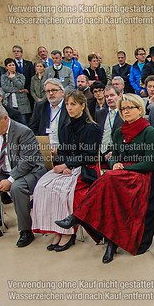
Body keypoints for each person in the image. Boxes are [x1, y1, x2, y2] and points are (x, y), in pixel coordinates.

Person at [56, 94, 154, 263]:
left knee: (109, 180)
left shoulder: (149, 132)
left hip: (143, 176)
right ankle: (111, 242)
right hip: (119, 175)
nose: (125, 111)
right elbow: (113, 154)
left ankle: (78, 217)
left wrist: (123, 167)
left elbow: (149, 164)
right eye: (122, 109)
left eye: (129, 108)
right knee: (110, 195)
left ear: (140, 110)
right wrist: (114, 163)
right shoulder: (120, 132)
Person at [31, 90, 101, 252]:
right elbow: (62, 151)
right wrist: (63, 165)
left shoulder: (92, 128)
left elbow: (90, 156)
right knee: (42, 187)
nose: (69, 108)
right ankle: (56, 229)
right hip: (67, 167)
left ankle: (68, 233)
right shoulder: (65, 126)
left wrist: (68, 165)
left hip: (85, 167)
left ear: (83, 106)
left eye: (73, 104)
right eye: (68, 104)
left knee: (63, 191)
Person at [0, 103, 46, 242]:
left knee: (17, 188)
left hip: (30, 171)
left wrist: (10, 180)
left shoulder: (23, 131)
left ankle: (26, 231)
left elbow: (27, 162)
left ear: (5, 119)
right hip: (4, 171)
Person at [28, 79, 69, 147]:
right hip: (44, 147)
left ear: (62, 92)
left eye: (54, 90)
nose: (51, 93)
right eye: (48, 91)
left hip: (64, 147)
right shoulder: (40, 106)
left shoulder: (68, 106)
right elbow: (32, 128)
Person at [96, 85, 123, 157]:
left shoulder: (124, 114)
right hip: (98, 155)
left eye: (112, 95)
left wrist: (113, 151)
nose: (109, 98)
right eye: (107, 96)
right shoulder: (99, 114)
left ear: (120, 96)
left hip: (116, 154)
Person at [1, 58, 31, 123]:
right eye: (10, 65)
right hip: (10, 101)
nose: (12, 67)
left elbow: (21, 86)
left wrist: (14, 78)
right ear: (6, 67)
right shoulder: (4, 77)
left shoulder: (20, 76)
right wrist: (17, 90)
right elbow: (5, 88)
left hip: (21, 101)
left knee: (23, 121)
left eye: (13, 65)